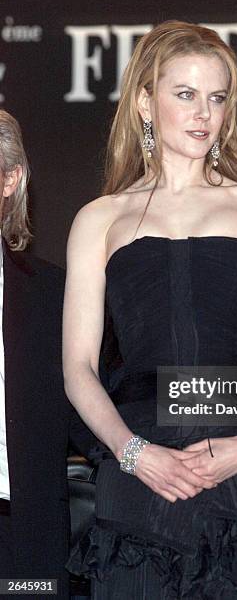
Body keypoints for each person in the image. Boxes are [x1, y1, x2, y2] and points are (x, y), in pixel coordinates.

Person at [63, 21, 237, 599]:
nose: (204, 113)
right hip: (135, 483)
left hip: (232, 471)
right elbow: (77, 369)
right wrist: (134, 455)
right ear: (145, 103)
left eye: (217, 97)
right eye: (185, 94)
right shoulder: (98, 219)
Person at [0, 110, 70, 598]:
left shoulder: (53, 295)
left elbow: (109, 405)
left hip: (25, 547)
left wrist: (222, 389)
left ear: (9, 179)